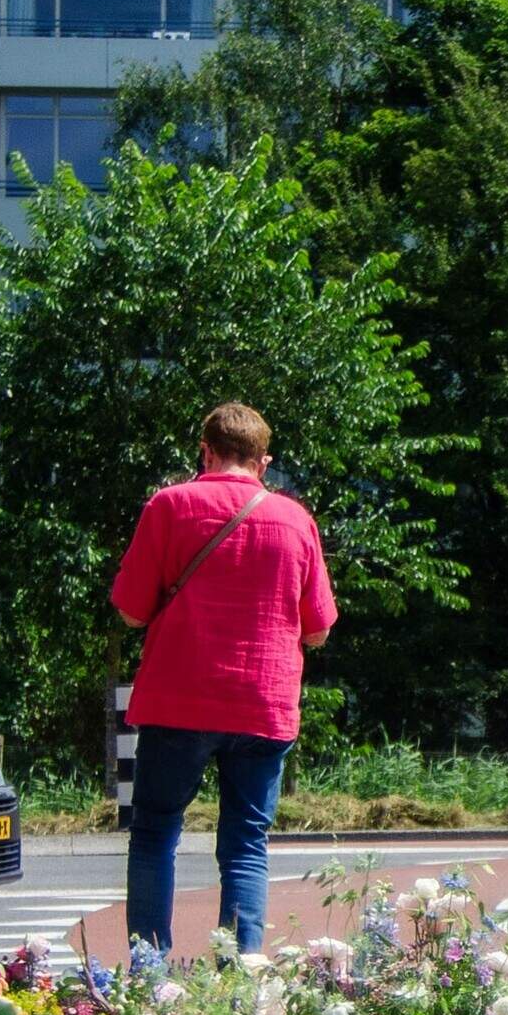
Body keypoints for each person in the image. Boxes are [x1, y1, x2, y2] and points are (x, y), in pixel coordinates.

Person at [111, 402, 335, 959]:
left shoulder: (168, 506)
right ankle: (240, 981)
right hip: (263, 704)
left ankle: (150, 975)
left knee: (155, 832)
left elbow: (131, 613)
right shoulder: (296, 520)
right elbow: (318, 630)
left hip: (177, 701)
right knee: (245, 845)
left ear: (205, 452)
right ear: (264, 462)